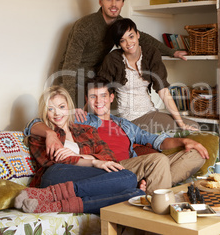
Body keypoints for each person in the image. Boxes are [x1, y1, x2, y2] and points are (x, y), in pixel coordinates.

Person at [24, 77, 209, 195]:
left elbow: (155, 140)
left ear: (111, 98)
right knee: (157, 161)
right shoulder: (81, 120)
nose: (99, 101)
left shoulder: (125, 124)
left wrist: (185, 140)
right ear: (87, 100)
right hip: (109, 167)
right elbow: (33, 124)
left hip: (134, 166)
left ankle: (146, 184)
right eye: (93, 97)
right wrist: (50, 134)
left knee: (197, 155)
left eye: (103, 96)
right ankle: (153, 201)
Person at [15, 86, 144, 214]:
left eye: (61, 107)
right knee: (129, 177)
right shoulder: (42, 134)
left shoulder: (87, 130)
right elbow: (59, 160)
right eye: (50, 109)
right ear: (45, 111)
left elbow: (109, 156)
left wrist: (83, 157)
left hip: (85, 180)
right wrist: (94, 162)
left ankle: (55, 205)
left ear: (69, 107)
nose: (57, 113)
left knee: (136, 193)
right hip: (54, 177)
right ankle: (49, 193)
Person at [57, 0, 187, 106]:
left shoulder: (119, 23)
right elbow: (70, 65)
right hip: (76, 80)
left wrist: (172, 52)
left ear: (123, 2)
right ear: (100, 1)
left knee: (116, 111)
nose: (114, 4)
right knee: (83, 120)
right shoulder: (85, 26)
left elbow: (143, 38)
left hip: (100, 77)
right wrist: (70, 102)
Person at [98, 18, 198, 133]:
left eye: (131, 37)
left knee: (190, 126)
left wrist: (181, 123)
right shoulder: (113, 59)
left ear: (138, 35)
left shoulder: (150, 53)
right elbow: (100, 90)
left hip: (150, 112)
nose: (129, 43)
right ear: (118, 44)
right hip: (130, 119)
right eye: (122, 40)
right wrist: (89, 116)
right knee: (192, 128)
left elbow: (163, 90)